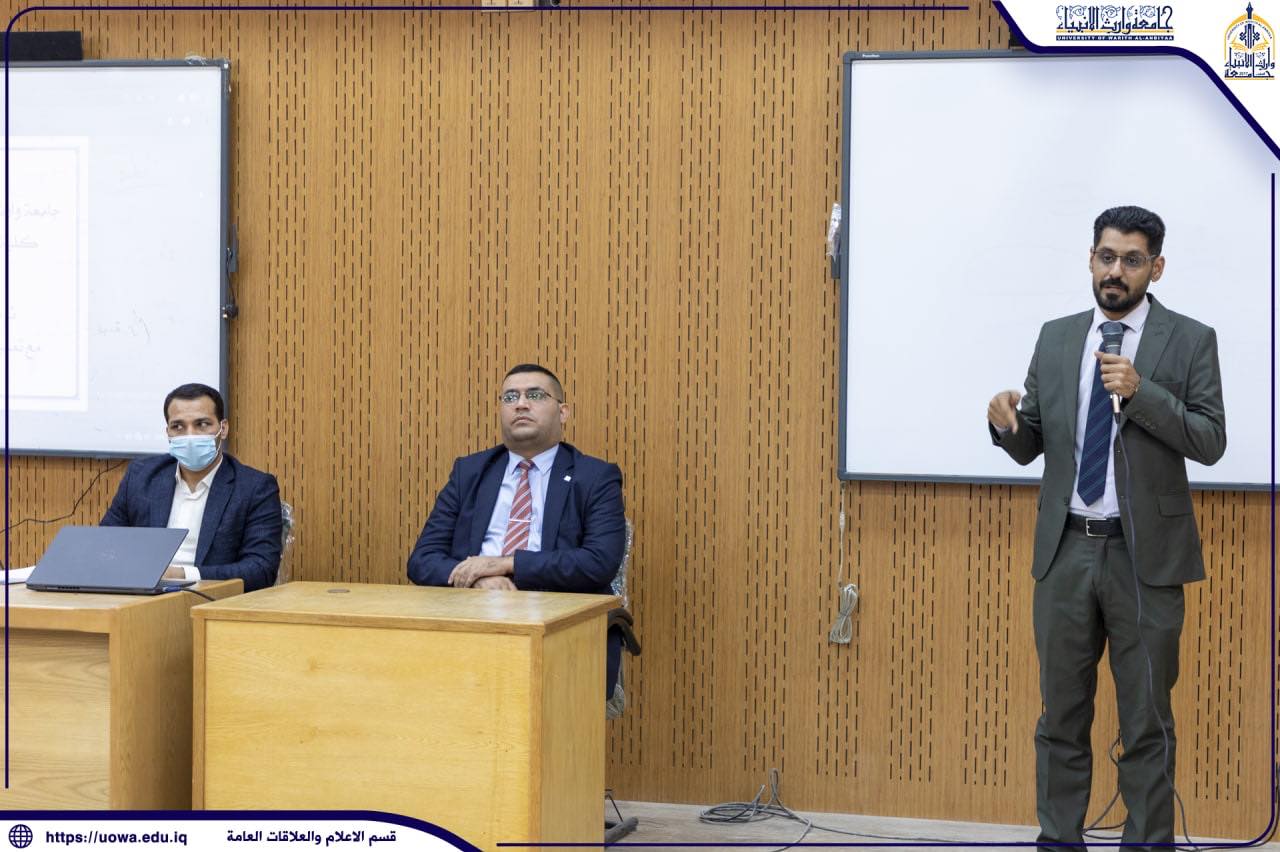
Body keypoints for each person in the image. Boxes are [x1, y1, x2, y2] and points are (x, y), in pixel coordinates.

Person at [987, 206, 1226, 849]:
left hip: (1144, 558)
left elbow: (1210, 441)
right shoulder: (1058, 337)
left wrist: (1143, 393)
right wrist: (1007, 424)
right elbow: (1034, 442)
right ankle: (1059, 841)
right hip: (1066, 551)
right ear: (1091, 259)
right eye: (1106, 257)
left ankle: (1146, 843)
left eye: (1131, 260)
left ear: (1156, 267)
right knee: (1061, 716)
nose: (1116, 271)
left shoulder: (1190, 339)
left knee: (1146, 720)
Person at [407, 363, 626, 698]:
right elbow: (422, 560)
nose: (521, 404)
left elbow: (598, 562)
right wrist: (478, 579)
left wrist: (504, 564)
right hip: (471, 623)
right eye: (510, 397)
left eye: (535, 395)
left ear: (563, 412)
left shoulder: (595, 477)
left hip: (559, 630)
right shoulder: (470, 472)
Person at [101, 383, 283, 592]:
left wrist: (183, 575)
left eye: (202, 424)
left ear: (223, 429)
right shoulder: (141, 477)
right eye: (178, 427)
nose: (190, 435)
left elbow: (261, 570)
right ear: (168, 433)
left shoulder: (254, 487)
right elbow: (105, 546)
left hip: (210, 601)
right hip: (141, 598)